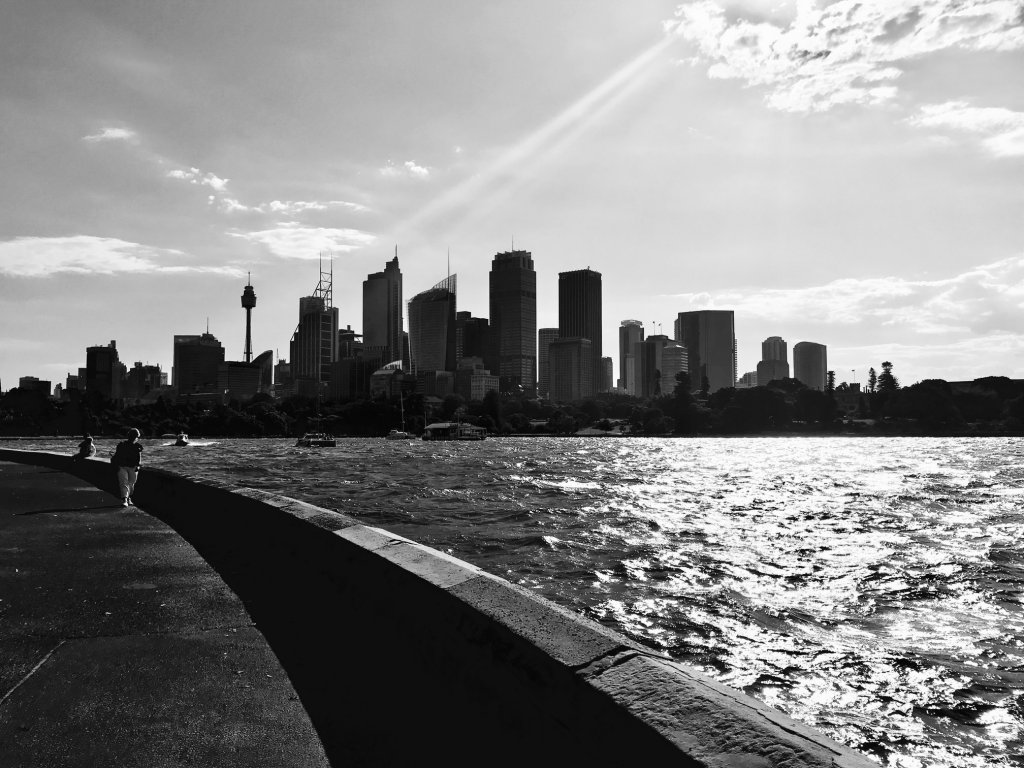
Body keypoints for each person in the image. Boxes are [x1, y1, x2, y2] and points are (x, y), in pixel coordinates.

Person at [112, 428, 143, 507]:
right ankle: (125, 500)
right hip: (123, 467)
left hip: (131, 467)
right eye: (134, 436)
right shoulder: (124, 445)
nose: (135, 438)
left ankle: (128, 498)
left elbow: (138, 459)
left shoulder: (135, 446)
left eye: (135, 436)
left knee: (130, 484)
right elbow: (138, 459)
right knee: (125, 483)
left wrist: (138, 466)